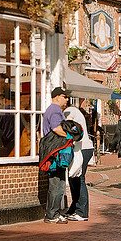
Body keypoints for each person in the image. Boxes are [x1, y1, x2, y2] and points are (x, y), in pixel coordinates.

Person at [42, 87, 71, 223]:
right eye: (65, 96)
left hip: (55, 151)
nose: (67, 99)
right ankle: (52, 215)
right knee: (57, 184)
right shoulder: (54, 110)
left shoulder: (54, 110)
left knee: (58, 183)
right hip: (55, 152)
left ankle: (54, 212)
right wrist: (70, 136)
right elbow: (56, 128)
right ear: (57, 97)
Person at [64, 103, 94, 221]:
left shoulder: (70, 111)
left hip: (82, 149)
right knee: (74, 179)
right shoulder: (75, 111)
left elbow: (68, 126)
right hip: (83, 148)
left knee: (79, 179)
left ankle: (82, 212)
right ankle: (75, 208)